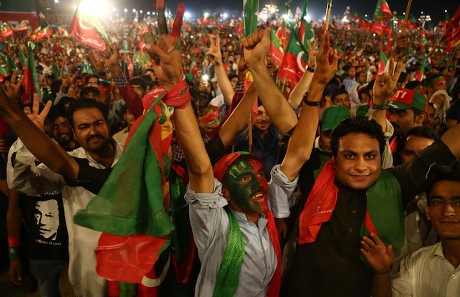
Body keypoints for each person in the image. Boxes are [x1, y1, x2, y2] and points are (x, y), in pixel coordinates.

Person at [173, 25, 337, 297]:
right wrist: (176, 91)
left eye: (261, 175)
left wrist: (316, 84)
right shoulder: (217, 226)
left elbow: (298, 153)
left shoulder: (268, 209)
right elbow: (201, 167)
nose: (260, 182)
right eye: (247, 178)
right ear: (223, 193)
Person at [281, 56, 460, 297]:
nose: (361, 166)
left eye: (370, 156)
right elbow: (290, 130)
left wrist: (380, 104)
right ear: (334, 159)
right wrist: (316, 87)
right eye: (350, 156)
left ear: (381, 156)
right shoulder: (316, 172)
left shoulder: (396, 182)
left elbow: (447, 147)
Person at [4, 94, 122, 296]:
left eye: (98, 123)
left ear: (108, 124)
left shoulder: (132, 154)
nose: (92, 131)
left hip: (137, 267)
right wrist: (27, 138)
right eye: (83, 127)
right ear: (74, 133)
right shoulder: (66, 164)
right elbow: (21, 182)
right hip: (91, 275)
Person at [361, 167, 460, 297]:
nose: (447, 211)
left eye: (458, 203)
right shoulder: (415, 262)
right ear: (428, 212)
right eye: (438, 202)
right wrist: (381, 272)